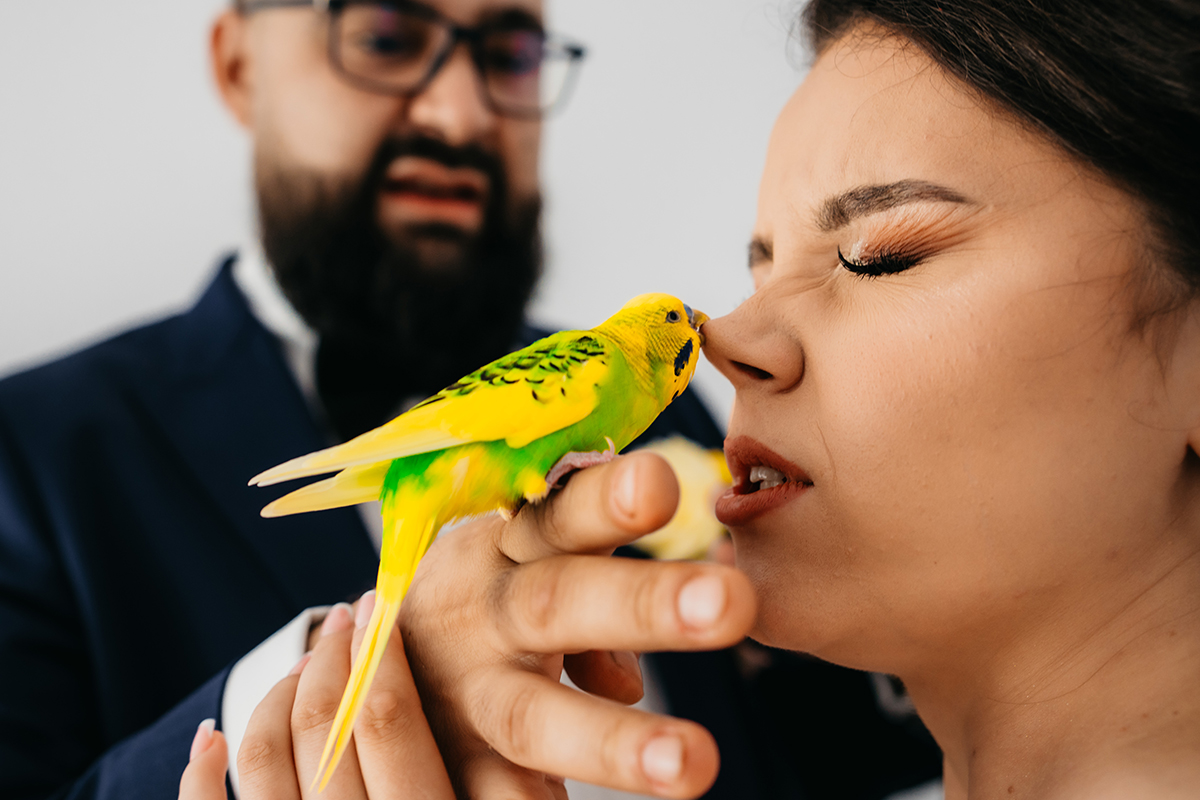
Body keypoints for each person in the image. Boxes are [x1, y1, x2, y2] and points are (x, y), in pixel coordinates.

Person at [180, 0, 1200, 797]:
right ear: (232, 65)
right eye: (385, 37)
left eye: (878, 255)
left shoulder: (667, 428)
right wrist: (339, 695)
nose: (729, 340)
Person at [0, 0, 939, 798]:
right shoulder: (30, 455)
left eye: (510, 53)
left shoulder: (671, 408)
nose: (457, 115)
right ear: (239, 64)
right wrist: (294, 709)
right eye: (384, 38)